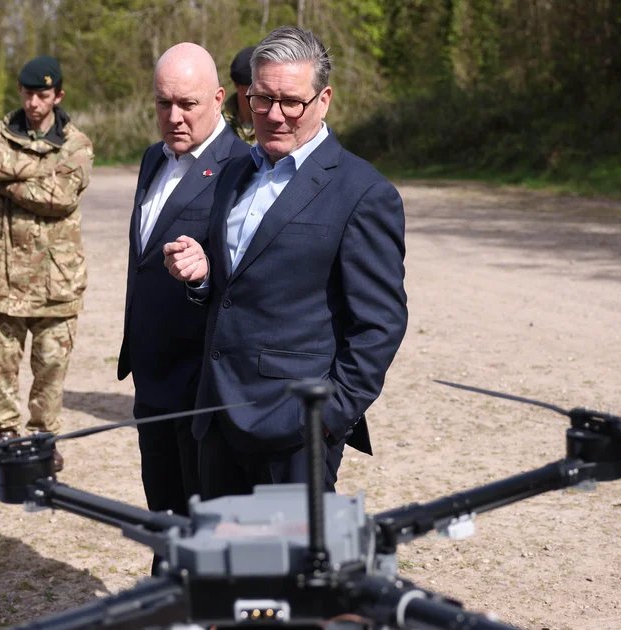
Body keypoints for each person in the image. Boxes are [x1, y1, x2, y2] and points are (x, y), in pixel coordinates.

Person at [163, 26, 408, 500]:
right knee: (222, 547)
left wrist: (327, 417)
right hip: (216, 416)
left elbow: (380, 324)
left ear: (324, 100)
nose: (274, 116)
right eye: (262, 100)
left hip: (295, 433)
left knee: (291, 551)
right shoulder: (233, 173)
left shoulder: (363, 192)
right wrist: (202, 276)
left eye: (291, 102)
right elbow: (237, 284)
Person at [118, 43, 248, 519]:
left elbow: (246, 281)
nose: (174, 117)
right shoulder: (153, 158)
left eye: (187, 104)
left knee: (205, 520)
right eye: (163, 103)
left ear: (218, 98)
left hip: (200, 384)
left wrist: (203, 274)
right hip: (151, 374)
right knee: (163, 513)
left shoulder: (244, 168)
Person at [0, 55, 94, 476]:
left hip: (56, 276)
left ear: (58, 96)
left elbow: (61, 197)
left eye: (43, 95)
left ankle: (42, 438)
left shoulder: (77, 143)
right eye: (28, 93)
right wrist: (44, 170)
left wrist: (7, 185)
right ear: (20, 92)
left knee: (51, 363)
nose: (34, 103)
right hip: (0, 272)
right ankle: (5, 437)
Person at [222, 45, 257, 144]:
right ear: (237, 85)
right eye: (252, 88)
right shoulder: (219, 124)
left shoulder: (274, 122)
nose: (260, 93)